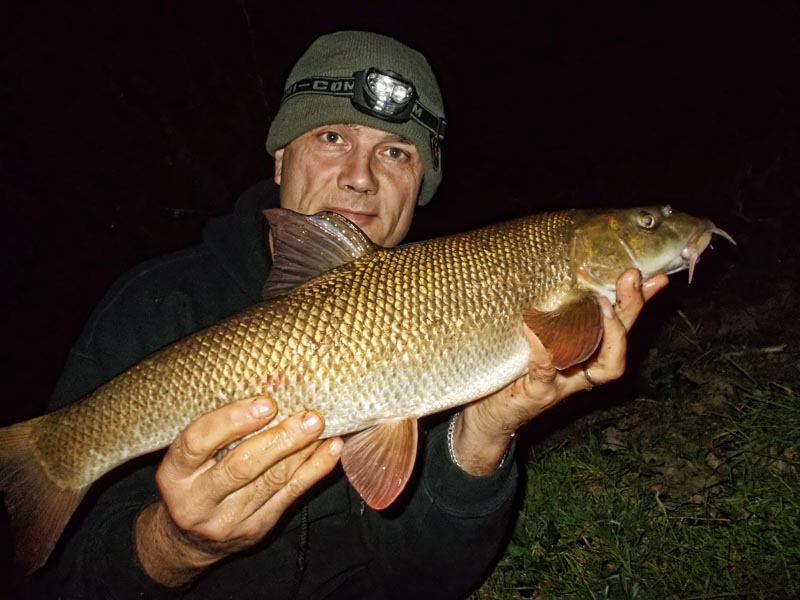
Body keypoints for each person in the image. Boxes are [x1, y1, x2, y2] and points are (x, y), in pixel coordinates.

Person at [33, 31, 667, 598]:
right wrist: (177, 546)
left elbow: (423, 580)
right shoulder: (156, 305)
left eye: (396, 152)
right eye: (331, 137)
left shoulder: (444, 298)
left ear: (421, 184)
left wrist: (485, 431)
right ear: (280, 156)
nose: (360, 177)